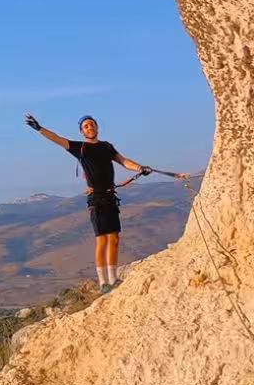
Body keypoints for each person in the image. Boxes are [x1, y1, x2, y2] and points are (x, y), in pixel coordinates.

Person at [23, 113, 182, 288]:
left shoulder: (107, 147)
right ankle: (103, 282)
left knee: (114, 238)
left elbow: (123, 161)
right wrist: (39, 129)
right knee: (102, 239)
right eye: (86, 126)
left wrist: (140, 168)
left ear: (97, 127)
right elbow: (57, 139)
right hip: (96, 198)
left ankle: (114, 279)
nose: (90, 128)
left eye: (92, 125)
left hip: (110, 196)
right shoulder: (80, 148)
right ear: (82, 132)